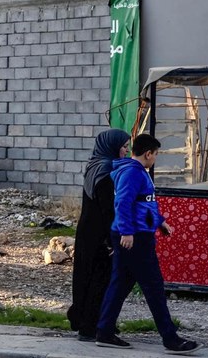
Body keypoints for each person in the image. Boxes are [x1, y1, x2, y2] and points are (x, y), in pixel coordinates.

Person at [96, 134, 202, 355]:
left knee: (120, 284)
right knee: (153, 287)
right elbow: (123, 202)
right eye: (156, 155)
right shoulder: (133, 173)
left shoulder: (135, 171)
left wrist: (159, 221)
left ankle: (104, 331)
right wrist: (127, 232)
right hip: (135, 238)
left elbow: (144, 204)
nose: (155, 159)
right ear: (148, 153)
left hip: (134, 234)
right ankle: (170, 339)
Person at [67, 128, 130, 342]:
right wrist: (112, 239)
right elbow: (108, 209)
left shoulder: (94, 165)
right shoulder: (105, 171)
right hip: (99, 235)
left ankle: (87, 320)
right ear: (112, 146)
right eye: (123, 147)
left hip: (87, 232)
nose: (126, 151)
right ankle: (91, 326)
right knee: (100, 279)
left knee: (86, 277)